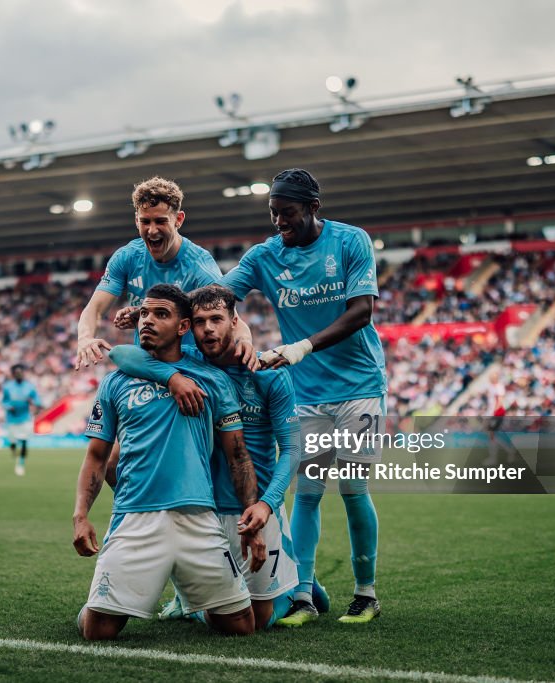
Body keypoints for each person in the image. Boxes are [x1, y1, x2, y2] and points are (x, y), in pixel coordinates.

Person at [220, 168, 387, 626]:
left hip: (359, 389)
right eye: (274, 215)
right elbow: (216, 297)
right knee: (308, 495)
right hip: (308, 395)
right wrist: (169, 302)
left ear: (313, 208)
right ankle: (303, 596)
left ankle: (365, 594)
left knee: (353, 489)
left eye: (287, 214)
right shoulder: (265, 256)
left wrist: (300, 347)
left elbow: (361, 312)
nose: (279, 223)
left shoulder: (351, 242)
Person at [72, 284, 269, 640]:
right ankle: (101, 600)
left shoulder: (213, 380)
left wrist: (251, 519)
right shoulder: (117, 382)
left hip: (199, 517)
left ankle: (196, 600)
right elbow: (97, 456)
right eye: (145, 313)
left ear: (183, 328)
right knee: (97, 632)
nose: (148, 320)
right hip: (135, 516)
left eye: (160, 314)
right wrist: (81, 514)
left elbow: (237, 455)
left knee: (241, 627)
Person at [109, 284, 309, 629]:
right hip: (203, 510)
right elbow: (121, 355)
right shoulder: (191, 365)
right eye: (200, 321)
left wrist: (267, 504)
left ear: (235, 322)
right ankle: (188, 596)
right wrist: (171, 376)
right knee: (223, 614)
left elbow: (292, 449)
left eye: (217, 319)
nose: (208, 329)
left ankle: (307, 590)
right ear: (189, 326)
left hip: (255, 506)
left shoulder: (269, 373)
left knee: (260, 620)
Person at [73, 176, 255, 372]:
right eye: (145, 222)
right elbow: (94, 309)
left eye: (160, 221)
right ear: (136, 221)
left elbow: (230, 319)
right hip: (148, 366)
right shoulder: (127, 257)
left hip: (190, 370)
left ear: (178, 220)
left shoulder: (199, 265)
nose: (152, 231)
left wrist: (244, 340)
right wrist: (85, 338)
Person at [2, 364, 42, 475]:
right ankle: (14, 448)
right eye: (17, 372)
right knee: (13, 443)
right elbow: (4, 401)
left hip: (25, 418)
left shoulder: (29, 387)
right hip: (11, 419)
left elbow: (37, 400)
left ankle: (20, 463)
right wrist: (8, 406)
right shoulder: (8, 387)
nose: (19, 374)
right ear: (14, 374)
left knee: (24, 441)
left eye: (21, 372)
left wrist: (34, 403)